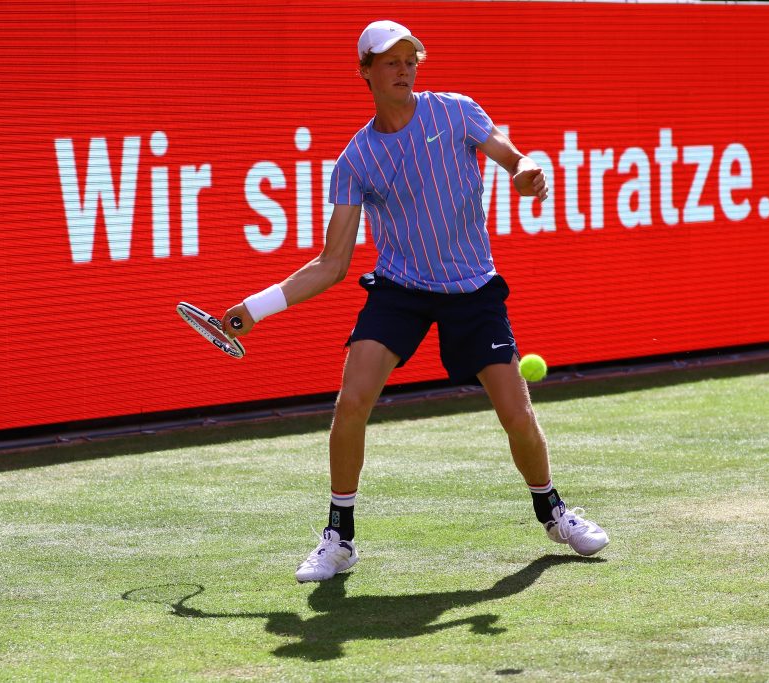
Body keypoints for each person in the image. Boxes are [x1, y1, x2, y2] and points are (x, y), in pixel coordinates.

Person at [223, 20, 609, 583]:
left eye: (410, 61)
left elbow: (512, 156)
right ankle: (339, 537)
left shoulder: (455, 112)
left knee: (517, 415)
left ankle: (553, 512)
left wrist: (526, 173)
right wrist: (252, 310)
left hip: (473, 288)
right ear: (366, 72)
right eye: (390, 62)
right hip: (401, 289)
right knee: (352, 400)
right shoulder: (356, 160)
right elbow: (332, 265)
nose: (404, 70)